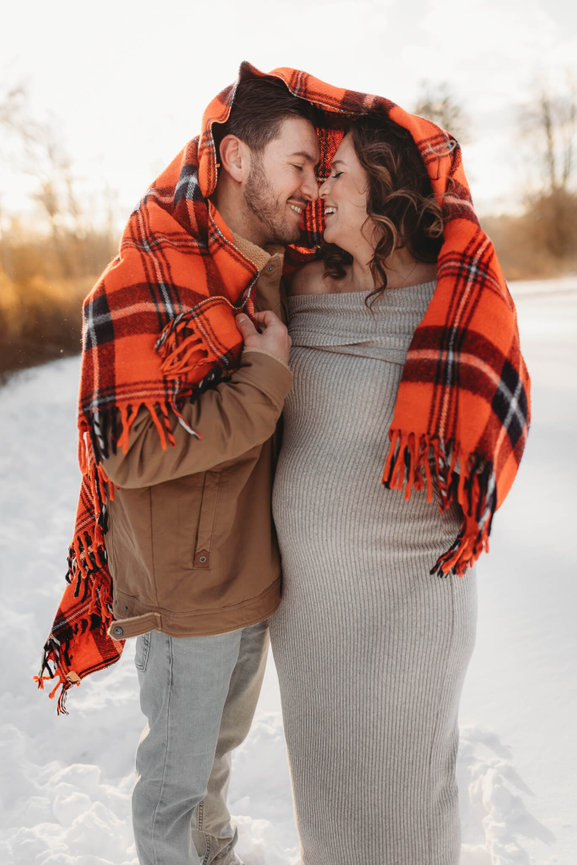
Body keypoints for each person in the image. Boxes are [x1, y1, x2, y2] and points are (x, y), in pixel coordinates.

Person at [38, 67, 319, 865]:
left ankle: (216, 854)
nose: (309, 187)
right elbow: (130, 450)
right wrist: (263, 377)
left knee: (213, 764)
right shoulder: (137, 284)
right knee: (173, 785)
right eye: (298, 165)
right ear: (235, 158)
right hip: (183, 590)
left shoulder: (263, 273)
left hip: (247, 573)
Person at [269, 112, 531, 864]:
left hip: (412, 589)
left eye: (336, 172)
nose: (319, 187)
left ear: (386, 188)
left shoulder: (457, 295)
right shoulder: (296, 282)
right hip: (310, 602)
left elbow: (493, 419)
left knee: (407, 793)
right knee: (326, 793)